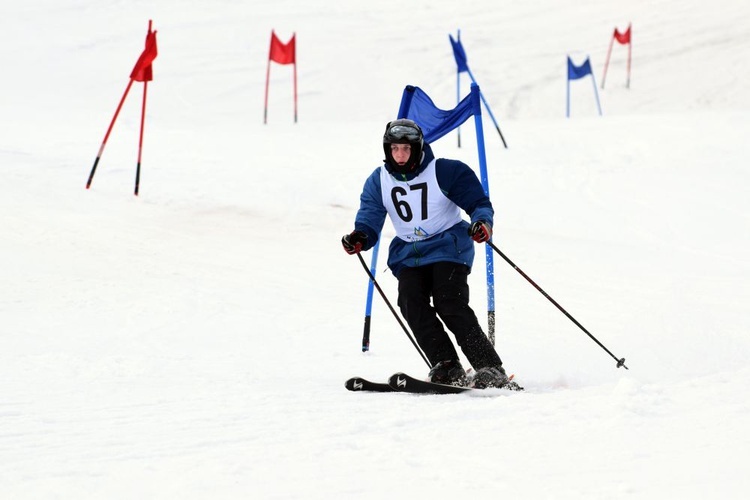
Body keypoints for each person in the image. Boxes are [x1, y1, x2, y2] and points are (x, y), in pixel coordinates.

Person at [341, 118, 511, 389]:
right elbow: (370, 216)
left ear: (418, 148)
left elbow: (478, 202)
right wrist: (360, 237)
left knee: (449, 301)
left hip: (448, 246)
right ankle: (446, 365)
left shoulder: (444, 171)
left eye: (406, 149)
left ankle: (489, 367)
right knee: (410, 301)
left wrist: (482, 223)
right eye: (394, 149)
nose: (400, 155)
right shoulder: (379, 180)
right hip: (409, 253)